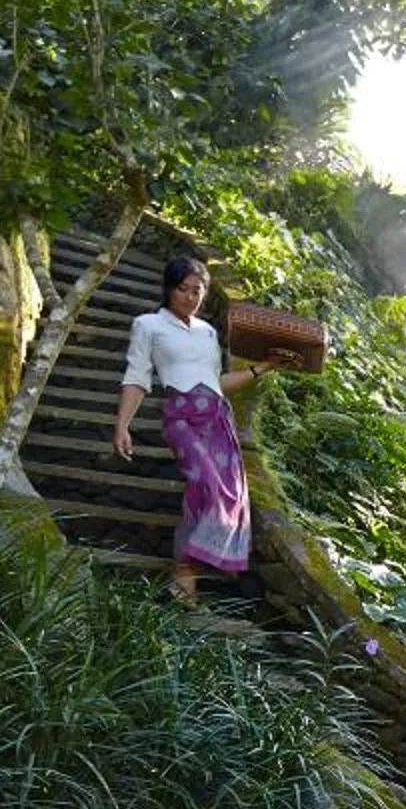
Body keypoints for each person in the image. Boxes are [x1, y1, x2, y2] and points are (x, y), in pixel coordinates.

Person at [114, 251, 270, 605]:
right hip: (181, 417)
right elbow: (137, 378)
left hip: (217, 419)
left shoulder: (208, 332)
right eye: (185, 289)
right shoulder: (148, 325)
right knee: (207, 486)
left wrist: (262, 368)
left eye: (199, 290)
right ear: (169, 288)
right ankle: (185, 573)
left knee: (228, 496)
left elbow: (216, 381)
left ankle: (186, 585)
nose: (192, 297)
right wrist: (123, 425)